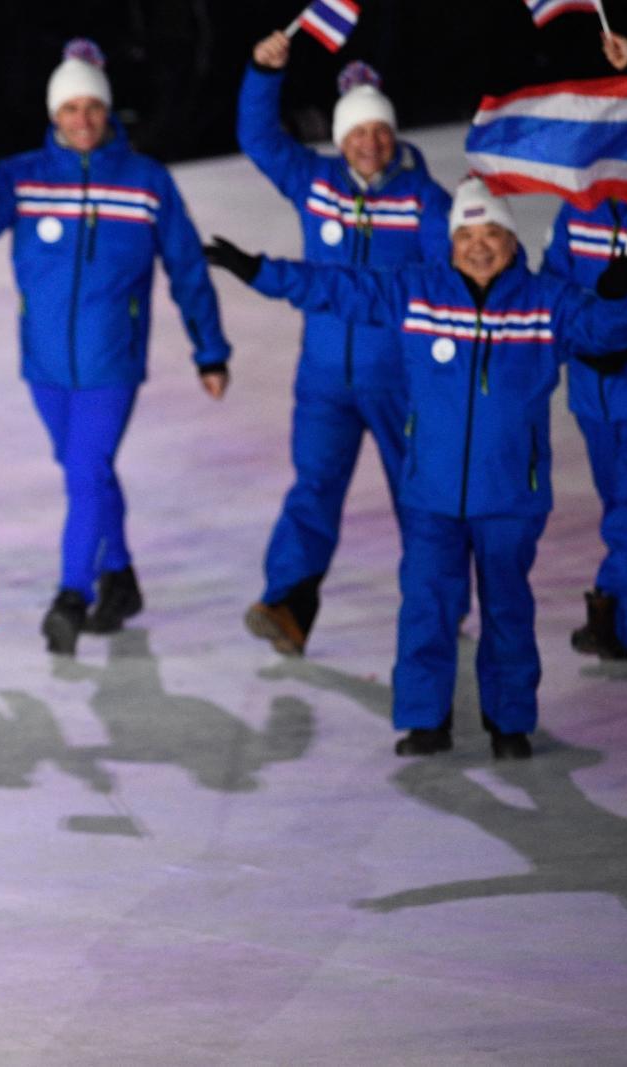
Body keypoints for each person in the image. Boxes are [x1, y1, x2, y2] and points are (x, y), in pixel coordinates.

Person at [206, 179, 627, 759]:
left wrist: (618, 299)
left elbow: (609, 335)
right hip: (432, 493)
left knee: (508, 607)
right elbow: (335, 286)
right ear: (450, 241)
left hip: (511, 493)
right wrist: (258, 269)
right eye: (467, 234)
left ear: (512, 240)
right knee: (427, 603)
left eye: (492, 234)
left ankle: (509, 723)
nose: (479, 246)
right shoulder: (418, 291)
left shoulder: (546, 301)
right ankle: (424, 718)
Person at [0, 38, 231, 655]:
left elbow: (186, 268)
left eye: (92, 108)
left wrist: (210, 348)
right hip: (44, 364)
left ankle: (72, 593)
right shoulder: (23, 176)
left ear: (107, 112)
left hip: (111, 363)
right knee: (87, 473)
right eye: (70, 108)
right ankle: (120, 576)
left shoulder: (145, 181)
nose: (82, 120)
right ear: (54, 115)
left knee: (86, 473)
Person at [238, 34, 452, 657]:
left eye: (379, 132)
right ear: (340, 136)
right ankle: (289, 604)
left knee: (419, 500)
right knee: (313, 489)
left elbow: (445, 282)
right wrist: (261, 73)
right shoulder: (317, 182)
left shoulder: (424, 199)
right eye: (357, 133)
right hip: (325, 380)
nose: (369, 143)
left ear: (393, 134)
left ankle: (438, 602)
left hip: (402, 382)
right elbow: (260, 139)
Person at [539, 38, 627, 659]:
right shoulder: (580, 211)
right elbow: (555, 286)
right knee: (621, 503)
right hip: (592, 393)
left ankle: (616, 616)